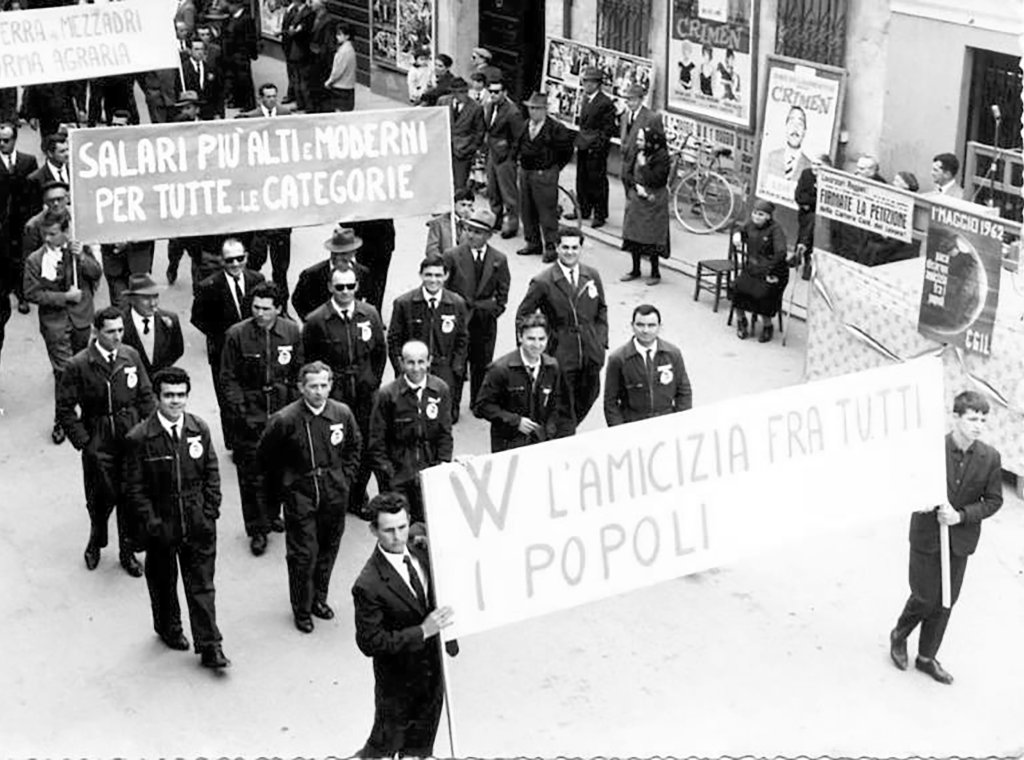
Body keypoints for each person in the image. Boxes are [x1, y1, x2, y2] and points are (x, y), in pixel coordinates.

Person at [889, 391, 1003, 685]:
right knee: (925, 596)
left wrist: (961, 516)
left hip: (960, 540)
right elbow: (907, 484)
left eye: (982, 420)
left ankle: (927, 657)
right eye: (972, 418)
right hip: (927, 535)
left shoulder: (989, 458)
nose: (978, 425)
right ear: (955, 418)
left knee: (946, 601)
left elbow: (993, 500)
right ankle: (899, 635)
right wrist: (923, 501)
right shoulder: (930, 449)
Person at [125, 366, 229, 669]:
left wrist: (210, 511)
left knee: (202, 586)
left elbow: (212, 471)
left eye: (181, 395)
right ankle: (169, 628)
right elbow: (135, 488)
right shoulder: (140, 437)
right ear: (157, 398)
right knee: (163, 582)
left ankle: (210, 646)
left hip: (197, 522)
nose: (175, 402)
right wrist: (152, 523)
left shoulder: (199, 428)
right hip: (162, 524)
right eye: (169, 396)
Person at [352, 491, 458, 759]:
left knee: (420, 746)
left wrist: (462, 471)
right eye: (388, 530)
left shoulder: (420, 544)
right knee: (385, 745)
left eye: (402, 527)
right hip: (398, 683)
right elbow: (370, 642)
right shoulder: (368, 584)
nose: (398, 536)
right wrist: (423, 631)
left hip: (433, 673)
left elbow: (458, 514)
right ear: (373, 530)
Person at [258, 361, 362, 633]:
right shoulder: (285, 419)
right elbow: (266, 458)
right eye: (313, 386)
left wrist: (345, 478)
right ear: (301, 387)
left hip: (334, 492)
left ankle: (319, 598)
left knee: (329, 548)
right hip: (300, 494)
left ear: (331, 385)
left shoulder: (342, 413)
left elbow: (354, 448)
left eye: (324, 385)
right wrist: (285, 489)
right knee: (303, 554)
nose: (319, 391)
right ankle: (301, 608)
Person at [57, 306, 155, 576]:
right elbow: (65, 409)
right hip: (98, 438)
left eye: (120, 330)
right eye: (110, 331)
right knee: (100, 498)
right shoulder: (78, 364)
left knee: (129, 498)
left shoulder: (130, 356)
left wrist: (150, 430)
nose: (117, 336)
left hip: (130, 436)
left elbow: (146, 395)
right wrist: (84, 442)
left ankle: (127, 552)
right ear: (95, 331)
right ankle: (96, 541)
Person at [221, 282, 302, 555]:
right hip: (250, 417)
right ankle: (257, 529)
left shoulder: (291, 332)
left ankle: (272, 513)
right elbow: (228, 378)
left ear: (278, 309)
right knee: (252, 476)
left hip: (281, 414)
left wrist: (292, 407)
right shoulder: (236, 334)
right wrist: (241, 412)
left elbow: (299, 372)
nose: (260, 313)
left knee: (279, 471)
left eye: (267, 309)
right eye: (256, 307)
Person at [302, 265, 387, 517]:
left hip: (364, 392)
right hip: (334, 394)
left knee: (366, 445)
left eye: (350, 286)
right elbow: (308, 360)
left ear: (357, 286)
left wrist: (372, 380)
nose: (345, 291)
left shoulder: (369, 313)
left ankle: (357, 495)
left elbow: (379, 352)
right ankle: (334, 495)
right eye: (340, 287)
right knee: (334, 446)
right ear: (330, 287)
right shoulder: (317, 320)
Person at [24, 209, 102, 445]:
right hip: (55, 324)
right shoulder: (35, 260)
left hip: (81, 320)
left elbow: (96, 273)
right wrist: (64, 297)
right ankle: (62, 419)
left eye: (53, 234)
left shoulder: (80, 250)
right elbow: (31, 292)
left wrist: (82, 258)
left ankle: (84, 414)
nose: (48, 239)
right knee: (64, 372)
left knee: (79, 368)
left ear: (66, 232)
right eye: (45, 234)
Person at [516, 226, 608, 425]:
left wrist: (601, 341)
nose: (570, 252)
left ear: (580, 249)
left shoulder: (591, 275)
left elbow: (601, 309)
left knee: (590, 394)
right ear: (557, 248)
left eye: (575, 247)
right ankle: (564, 435)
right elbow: (523, 315)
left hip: (590, 350)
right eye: (565, 247)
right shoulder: (543, 281)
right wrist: (532, 348)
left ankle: (568, 428)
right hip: (561, 352)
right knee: (563, 403)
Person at [191, 238, 265, 449]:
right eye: (229, 260)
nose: (235, 264)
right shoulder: (209, 286)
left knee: (253, 390)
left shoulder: (256, 279)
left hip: (253, 348)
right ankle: (234, 442)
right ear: (222, 261)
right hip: (223, 350)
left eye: (239, 259)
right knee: (228, 398)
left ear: (246, 258)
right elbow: (198, 318)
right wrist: (220, 336)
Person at [368, 340, 453, 522]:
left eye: (421, 362)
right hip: (398, 475)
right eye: (411, 362)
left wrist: (441, 466)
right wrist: (389, 474)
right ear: (401, 363)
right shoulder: (388, 395)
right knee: (399, 526)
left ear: (429, 361)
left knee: (428, 526)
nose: (416, 368)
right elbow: (377, 441)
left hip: (429, 471)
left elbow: (445, 433)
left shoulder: (440, 389)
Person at [473, 312, 574, 452]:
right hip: (508, 444)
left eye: (541, 339)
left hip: (541, 444)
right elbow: (482, 406)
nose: (537, 345)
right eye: (531, 339)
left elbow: (557, 404)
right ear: (520, 337)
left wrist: (550, 432)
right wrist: (515, 421)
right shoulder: (500, 369)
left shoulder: (552, 367)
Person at [441, 208, 510, 409]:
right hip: (459, 319)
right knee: (457, 365)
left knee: (482, 363)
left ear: (488, 236)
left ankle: (478, 402)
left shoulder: (499, 259)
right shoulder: (452, 255)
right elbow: (445, 287)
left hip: (484, 320)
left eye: (478, 232)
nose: (471, 235)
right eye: (469, 229)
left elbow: (502, 291)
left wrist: (494, 310)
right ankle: (452, 406)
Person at [387, 257, 469, 421]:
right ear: (421, 275)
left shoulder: (457, 303)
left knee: (443, 419)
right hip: (414, 369)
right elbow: (394, 340)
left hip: (444, 369)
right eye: (429, 275)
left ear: (446, 276)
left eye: (438, 275)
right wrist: (401, 368)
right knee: (411, 416)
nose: (433, 280)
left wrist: (456, 368)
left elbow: (462, 338)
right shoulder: (404, 304)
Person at [603, 304, 692, 426]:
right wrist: (619, 432)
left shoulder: (672, 354)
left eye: (651, 325)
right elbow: (610, 402)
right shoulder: (618, 359)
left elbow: (684, 392)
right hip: (633, 424)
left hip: (666, 423)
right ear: (632, 326)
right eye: (640, 325)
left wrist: (680, 423)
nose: (645, 330)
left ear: (659, 327)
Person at [515, 92, 575, 261]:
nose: (532, 112)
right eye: (530, 108)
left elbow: (566, 151)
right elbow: (518, 145)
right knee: (527, 209)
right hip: (526, 172)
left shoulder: (556, 128)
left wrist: (554, 168)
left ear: (544, 110)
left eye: (536, 109)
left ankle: (551, 246)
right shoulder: (525, 125)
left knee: (547, 211)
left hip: (545, 173)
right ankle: (532, 242)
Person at [731, 199, 788, 343]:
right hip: (752, 268)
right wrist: (737, 234)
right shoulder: (750, 225)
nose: (756, 217)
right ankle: (741, 321)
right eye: (755, 213)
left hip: (772, 269)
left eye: (761, 214)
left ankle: (767, 326)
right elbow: (740, 228)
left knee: (763, 294)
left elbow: (781, 253)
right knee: (738, 288)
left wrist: (769, 270)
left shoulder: (776, 229)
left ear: (768, 216)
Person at [621, 126, 671, 284]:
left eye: (642, 140)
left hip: (653, 200)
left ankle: (655, 273)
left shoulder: (662, 157)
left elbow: (657, 179)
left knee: (652, 237)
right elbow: (628, 173)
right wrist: (636, 187)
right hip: (637, 198)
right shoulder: (638, 152)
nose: (638, 142)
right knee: (634, 234)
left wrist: (643, 166)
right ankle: (635, 269)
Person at [570, 67, 617, 229]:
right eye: (584, 82)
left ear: (597, 84)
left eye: (589, 82)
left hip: (596, 148)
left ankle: (599, 214)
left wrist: (598, 146)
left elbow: (607, 129)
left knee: (596, 181)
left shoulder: (605, 103)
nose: (585, 85)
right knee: (581, 178)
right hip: (583, 144)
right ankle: (583, 208)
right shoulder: (585, 99)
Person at [0, 121, 38, 316]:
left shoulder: (28, 161)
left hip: (23, 220)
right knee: (4, 258)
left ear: (15, 140)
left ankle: (22, 295)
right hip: (2, 222)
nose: (2, 144)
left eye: (6, 140)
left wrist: (34, 219)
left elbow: (35, 193)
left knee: (23, 258)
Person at [292, 224, 370, 320]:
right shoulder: (311, 275)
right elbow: (297, 300)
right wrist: (311, 321)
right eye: (336, 253)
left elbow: (368, 299)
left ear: (354, 252)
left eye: (345, 253)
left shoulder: (362, 273)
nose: (340, 257)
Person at [483, 76, 524, 239]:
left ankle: (512, 224)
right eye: (490, 91)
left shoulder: (512, 112)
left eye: (496, 92)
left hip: (506, 156)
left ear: (504, 93)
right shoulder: (490, 106)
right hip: (493, 153)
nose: (493, 95)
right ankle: (496, 220)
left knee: (509, 193)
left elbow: (518, 137)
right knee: (493, 190)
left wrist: (511, 156)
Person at [121, 274, 185, 377]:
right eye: (145, 298)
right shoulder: (120, 323)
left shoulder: (171, 319)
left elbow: (177, 350)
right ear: (131, 300)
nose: (152, 303)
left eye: (155, 297)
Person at [438, 78, 485, 191]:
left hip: (463, 151)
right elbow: (436, 122)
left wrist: (470, 149)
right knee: (442, 182)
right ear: (453, 93)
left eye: (465, 91)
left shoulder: (475, 108)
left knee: (459, 184)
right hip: (444, 149)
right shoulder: (443, 102)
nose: (464, 94)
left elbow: (479, 132)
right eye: (460, 92)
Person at [619, 84, 662, 196]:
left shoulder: (651, 118)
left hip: (640, 165)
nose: (630, 103)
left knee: (638, 198)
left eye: (633, 100)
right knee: (628, 194)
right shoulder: (624, 116)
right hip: (626, 163)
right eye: (627, 100)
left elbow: (657, 143)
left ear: (641, 100)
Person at [794, 154, 831, 280]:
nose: (815, 167)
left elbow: (827, 202)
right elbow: (799, 196)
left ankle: (801, 248)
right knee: (811, 222)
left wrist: (810, 203)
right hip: (806, 214)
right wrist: (814, 202)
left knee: (813, 222)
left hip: (824, 218)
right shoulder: (806, 174)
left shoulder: (831, 180)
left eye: (819, 165)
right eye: (813, 163)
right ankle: (808, 261)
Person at [350, 218, 396, 312]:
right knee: (362, 279)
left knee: (379, 282)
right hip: (363, 242)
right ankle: (357, 312)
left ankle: (374, 314)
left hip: (383, 239)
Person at [221, 0, 258, 112]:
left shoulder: (246, 19)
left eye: (230, 4)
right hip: (231, 54)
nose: (228, 7)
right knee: (235, 79)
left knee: (244, 79)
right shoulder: (230, 18)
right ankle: (238, 100)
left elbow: (250, 38)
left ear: (236, 5)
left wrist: (248, 53)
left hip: (241, 54)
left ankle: (249, 103)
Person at [763, 105, 812, 183]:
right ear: (786, 127)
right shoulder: (771, 158)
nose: (795, 128)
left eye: (800, 124)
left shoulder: (809, 167)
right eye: (792, 122)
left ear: (804, 131)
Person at [281, 0, 314, 110]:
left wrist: (294, 32)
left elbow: (303, 31)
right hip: (293, 49)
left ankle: (306, 105)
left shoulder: (307, 13)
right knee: (296, 78)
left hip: (301, 50)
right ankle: (300, 103)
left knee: (302, 79)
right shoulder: (295, 10)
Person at [181, 38, 225, 120]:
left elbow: (218, 92)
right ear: (190, 51)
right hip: (191, 113)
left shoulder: (211, 68)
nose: (200, 52)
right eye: (196, 49)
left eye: (202, 49)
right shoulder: (183, 69)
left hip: (209, 112)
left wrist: (219, 113)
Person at [26, 133, 70, 214]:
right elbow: (35, 211)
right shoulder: (36, 179)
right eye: (62, 151)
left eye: (68, 149)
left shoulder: (75, 171)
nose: (67, 154)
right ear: (50, 153)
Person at [308, 0, 338, 113]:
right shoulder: (314, 17)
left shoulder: (328, 21)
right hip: (313, 58)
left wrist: (320, 53)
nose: (311, 3)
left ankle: (323, 109)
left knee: (321, 87)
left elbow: (328, 43)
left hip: (321, 61)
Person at [424, 189, 473, 257]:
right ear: (454, 204)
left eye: (469, 206)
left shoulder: (473, 223)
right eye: (463, 205)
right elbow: (431, 250)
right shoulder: (438, 223)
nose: (466, 209)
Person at [325, 22, 357, 112]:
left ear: (347, 36)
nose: (337, 37)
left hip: (340, 88)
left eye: (339, 34)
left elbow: (338, 71)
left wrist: (329, 81)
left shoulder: (343, 51)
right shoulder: (350, 49)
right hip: (348, 86)